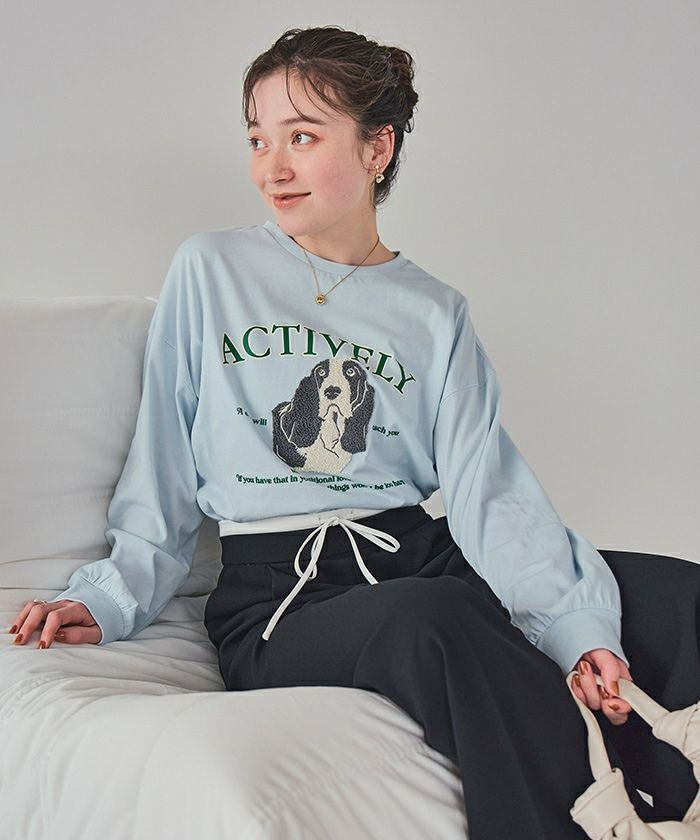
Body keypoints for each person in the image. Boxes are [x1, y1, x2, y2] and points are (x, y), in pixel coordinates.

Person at [8, 25, 699, 839]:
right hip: (282, 595)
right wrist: (111, 595)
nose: (272, 166)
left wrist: (576, 632)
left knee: (672, 592)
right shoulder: (212, 270)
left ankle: (676, 802)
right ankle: (595, 823)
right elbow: (161, 461)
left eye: (302, 137)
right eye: (259, 138)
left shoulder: (434, 312)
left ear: (378, 147)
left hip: (417, 551)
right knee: (435, 618)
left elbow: (491, 496)